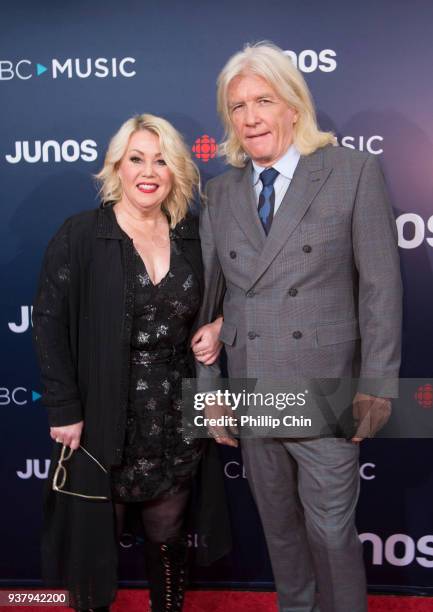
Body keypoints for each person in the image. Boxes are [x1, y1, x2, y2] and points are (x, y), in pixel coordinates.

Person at [196, 42, 402, 612]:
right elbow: (212, 307)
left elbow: (381, 288)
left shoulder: (351, 171)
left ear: (293, 106)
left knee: (332, 531)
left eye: (264, 100)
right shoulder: (219, 192)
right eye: (238, 107)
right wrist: (209, 398)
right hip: (255, 387)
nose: (251, 117)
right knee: (280, 531)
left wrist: (379, 387)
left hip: (327, 390)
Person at [33, 113, 228, 611]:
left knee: (169, 531)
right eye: (137, 158)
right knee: (97, 540)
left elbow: (227, 296)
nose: (149, 171)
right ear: (116, 166)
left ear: (175, 170)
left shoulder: (192, 234)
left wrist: (219, 326)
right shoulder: (81, 235)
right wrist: (63, 408)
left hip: (174, 414)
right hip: (104, 415)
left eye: (161, 160)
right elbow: (49, 324)